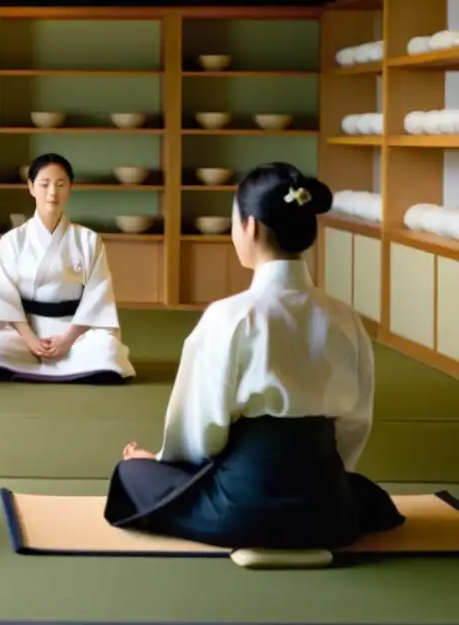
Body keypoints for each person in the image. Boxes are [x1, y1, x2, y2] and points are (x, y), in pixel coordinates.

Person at [105, 162, 405, 550]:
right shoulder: (346, 318)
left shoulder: (230, 317)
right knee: (366, 497)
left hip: (244, 508)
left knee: (131, 476)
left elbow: (199, 436)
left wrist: (157, 462)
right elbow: (354, 425)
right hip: (328, 511)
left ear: (251, 227)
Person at [0, 152, 136, 383]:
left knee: (107, 350)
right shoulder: (13, 240)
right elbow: (5, 298)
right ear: (31, 187)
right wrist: (30, 340)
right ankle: (66, 368)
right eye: (45, 184)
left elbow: (98, 298)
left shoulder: (88, 240)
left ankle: (51, 363)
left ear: (70, 188)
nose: (53, 192)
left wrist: (67, 339)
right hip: (25, 329)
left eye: (61, 184)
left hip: (75, 331)